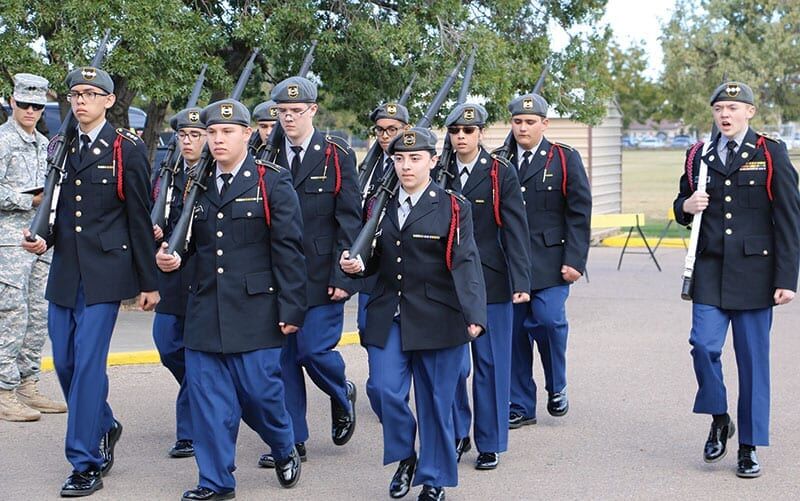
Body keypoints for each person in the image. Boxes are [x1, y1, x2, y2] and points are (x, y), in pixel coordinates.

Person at [156, 98, 306, 499]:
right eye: (212, 133)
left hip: (256, 309)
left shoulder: (270, 181)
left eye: (227, 132)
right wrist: (171, 257)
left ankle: (282, 444)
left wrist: (292, 308)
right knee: (209, 403)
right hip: (204, 308)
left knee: (261, 393)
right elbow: (187, 241)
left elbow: (289, 250)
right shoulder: (196, 182)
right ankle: (216, 481)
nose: (218, 140)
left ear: (245, 135)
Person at [21, 66, 159, 497]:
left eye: (90, 94)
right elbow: (60, 208)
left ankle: (85, 461)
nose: (80, 100)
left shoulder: (125, 150)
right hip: (65, 271)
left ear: (109, 101)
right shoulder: (60, 146)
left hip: (105, 274)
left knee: (86, 367)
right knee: (64, 362)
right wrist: (41, 237)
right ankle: (105, 422)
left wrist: (148, 281)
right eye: (75, 94)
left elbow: (138, 218)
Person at [340, 127, 487, 501]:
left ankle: (434, 478)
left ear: (433, 161)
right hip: (389, 313)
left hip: (440, 317)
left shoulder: (453, 206)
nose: (406, 166)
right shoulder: (378, 203)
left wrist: (474, 313)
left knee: (437, 403)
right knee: (385, 391)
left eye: (415, 158)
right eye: (400, 158)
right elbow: (371, 256)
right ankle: (405, 456)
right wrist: (356, 266)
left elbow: (466, 261)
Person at [673, 81, 800, 478]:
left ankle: (748, 447)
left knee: (752, 364)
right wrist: (686, 205)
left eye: (733, 107)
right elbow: (681, 206)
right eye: (719, 109)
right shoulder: (699, 154)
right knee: (703, 347)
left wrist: (787, 278)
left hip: (756, 275)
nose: (725, 115)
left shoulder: (769, 151)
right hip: (710, 270)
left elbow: (789, 219)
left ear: (750, 112)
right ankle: (719, 416)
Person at [258, 76, 361, 468]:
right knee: (282, 360)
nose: (287, 119)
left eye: (295, 112)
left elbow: (349, 220)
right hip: (277, 275)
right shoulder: (265, 154)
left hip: (321, 272)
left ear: (313, 111)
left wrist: (342, 276)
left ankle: (341, 390)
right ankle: (291, 439)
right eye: (282, 112)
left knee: (313, 350)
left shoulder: (336, 154)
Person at [438, 103, 530, 470]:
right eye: (455, 131)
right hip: (447, 284)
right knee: (453, 366)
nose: (461, 137)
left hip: (492, 279)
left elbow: (515, 228)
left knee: (491, 364)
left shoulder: (499, 172)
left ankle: (489, 441)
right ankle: (459, 430)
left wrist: (521, 280)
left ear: (481, 134)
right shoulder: (440, 172)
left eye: (468, 131)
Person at [499, 92, 592, 429]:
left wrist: (576, 260)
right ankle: (521, 404)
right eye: (517, 122)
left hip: (551, 263)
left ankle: (557, 385)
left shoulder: (563, 158)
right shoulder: (500, 160)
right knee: (513, 335)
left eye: (530, 122)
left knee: (549, 322)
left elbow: (579, 212)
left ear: (544, 124)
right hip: (509, 264)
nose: (523, 128)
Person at [0, 73, 66, 421]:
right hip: (9, 244)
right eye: (24, 104)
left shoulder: (45, 145)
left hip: (41, 243)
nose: (30, 110)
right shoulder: (3, 141)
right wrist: (28, 200)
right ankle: (3, 390)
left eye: (37, 105)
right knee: (11, 316)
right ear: (12, 102)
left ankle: (27, 384)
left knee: (38, 316)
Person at [151, 107, 206, 459]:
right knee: (167, 343)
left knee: (196, 352)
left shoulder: (217, 172)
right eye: (183, 135)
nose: (188, 141)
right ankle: (208, 394)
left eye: (195, 135)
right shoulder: (167, 171)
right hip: (171, 271)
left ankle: (189, 431)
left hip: (203, 270)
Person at [359, 101, 410, 420]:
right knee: (367, 327)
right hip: (370, 262)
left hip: (401, 261)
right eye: (380, 130)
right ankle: (385, 387)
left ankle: (394, 392)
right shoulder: (369, 166)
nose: (385, 136)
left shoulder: (411, 163)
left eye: (393, 130)